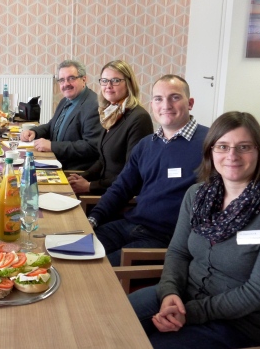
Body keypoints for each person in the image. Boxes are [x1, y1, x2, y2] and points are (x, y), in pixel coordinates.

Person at [129, 112, 260, 349]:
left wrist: (190, 313)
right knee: (110, 320)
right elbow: (178, 251)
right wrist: (169, 293)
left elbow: (258, 292)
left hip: (236, 323)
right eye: (222, 146)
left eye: (244, 147)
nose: (232, 156)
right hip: (182, 296)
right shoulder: (197, 194)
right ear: (210, 151)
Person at [88, 75, 209, 266]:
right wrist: (94, 218)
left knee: (97, 270)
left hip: (165, 239)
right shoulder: (146, 145)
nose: (166, 105)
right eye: (159, 99)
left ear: (190, 103)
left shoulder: (212, 144)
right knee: (75, 253)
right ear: (152, 104)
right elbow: (121, 187)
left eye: (175, 97)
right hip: (129, 225)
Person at [68, 60, 153, 195]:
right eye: (104, 80)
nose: (108, 85)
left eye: (115, 80)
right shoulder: (110, 113)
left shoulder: (139, 118)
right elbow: (103, 160)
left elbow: (133, 173)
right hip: (102, 188)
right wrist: (83, 176)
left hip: (117, 195)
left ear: (129, 84)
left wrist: (90, 186)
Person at [20, 59, 103, 171]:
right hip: (55, 160)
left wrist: (52, 146)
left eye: (71, 78)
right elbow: (52, 126)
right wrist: (34, 132)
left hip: (74, 170)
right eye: (62, 80)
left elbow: (91, 146)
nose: (66, 84)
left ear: (84, 79)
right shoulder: (65, 100)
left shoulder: (93, 105)